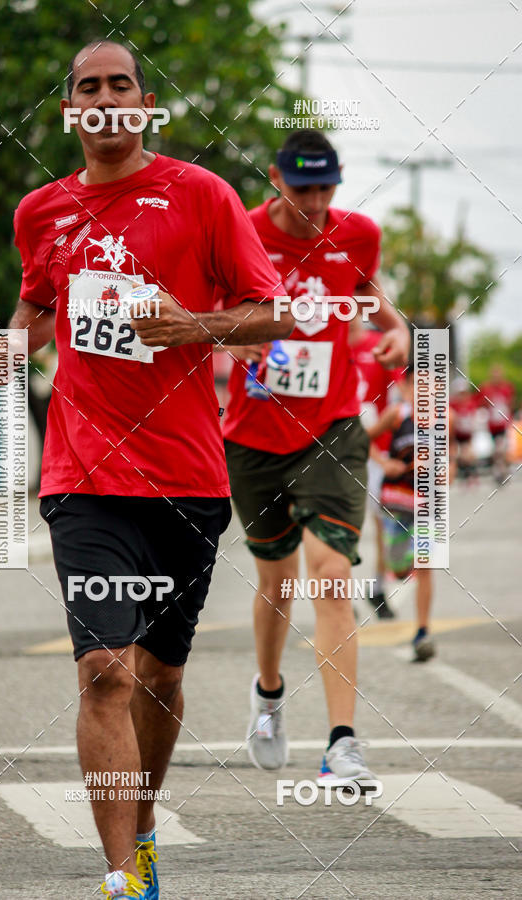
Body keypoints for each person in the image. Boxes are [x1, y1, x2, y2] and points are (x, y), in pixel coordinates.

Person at [0, 39, 291, 900]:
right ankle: (123, 878)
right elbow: (37, 304)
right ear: (71, 110)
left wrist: (194, 327)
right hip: (84, 477)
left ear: (145, 105)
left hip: (187, 481)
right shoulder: (42, 210)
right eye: (89, 88)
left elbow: (273, 314)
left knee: (160, 676)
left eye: (121, 85)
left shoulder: (202, 195)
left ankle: (144, 826)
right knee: (104, 672)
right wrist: (8, 345)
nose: (105, 98)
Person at [222, 129, 409, 786]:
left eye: (326, 187)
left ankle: (342, 744)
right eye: (303, 188)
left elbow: (370, 295)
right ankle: (269, 694)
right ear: (276, 179)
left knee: (330, 576)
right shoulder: (239, 230)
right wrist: (234, 341)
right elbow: (210, 311)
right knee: (277, 582)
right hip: (254, 436)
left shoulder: (358, 234)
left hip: (332, 429)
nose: (315, 200)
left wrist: (397, 331)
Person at [366, 367, 435, 661]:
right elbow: (364, 439)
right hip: (397, 501)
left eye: (431, 385)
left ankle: (423, 631)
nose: (425, 391)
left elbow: (452, 451)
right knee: (397, 566)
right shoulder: (396, 414)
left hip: (429, 502)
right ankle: (399, 570)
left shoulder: (444, 417)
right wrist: (384, 463)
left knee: (426, 564)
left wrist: (450, 467)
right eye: (418, 384)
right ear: (405, 388)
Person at [349, 314, 405, 619]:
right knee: (340, 523)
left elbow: (399, 394)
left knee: (383, 522)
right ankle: (341, 593)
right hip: (338, 448)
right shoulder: (331, 344)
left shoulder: (377, 344)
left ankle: (378, 587)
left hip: (376, 448)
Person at [478, 365, 515, 483]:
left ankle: (501, 469)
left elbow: (510, 403)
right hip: (492, 425)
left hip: (503, 424)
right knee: (496, 449)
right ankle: (500, 468)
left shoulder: (507, 387)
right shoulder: (486, 388)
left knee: (501, 448)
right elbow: (481, 403)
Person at [450, 378, 478, 482]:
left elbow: (473, 421)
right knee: (458, 455)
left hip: (467, 435)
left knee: (468, 454)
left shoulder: (471, 404)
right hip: (456, 435)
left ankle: (470, 475)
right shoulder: (453, 405)